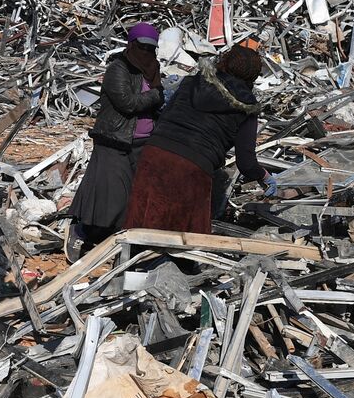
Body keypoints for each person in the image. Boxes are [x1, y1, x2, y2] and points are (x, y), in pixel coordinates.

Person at [125, 45, 276, 235]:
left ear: (225, 63)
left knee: (140, 222)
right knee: (182, 235)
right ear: (253, 77)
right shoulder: (248, 107)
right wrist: (264, 176)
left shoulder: (193, 82)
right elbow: (245, 162)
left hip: (156, 153)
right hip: (193, 166)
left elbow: (163, 117)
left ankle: (131, 262)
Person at [66, 23, 166, 259]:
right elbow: (127, 103)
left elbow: (154, 100)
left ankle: (119, 243)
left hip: (142, 144)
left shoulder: (153, 68)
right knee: (111, 198)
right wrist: (157, 96)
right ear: (132, 45)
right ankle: (82, 231)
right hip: (115, 140)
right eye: (142, 47)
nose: (147, 52)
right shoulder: (118, 69)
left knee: (134, 199)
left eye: (151, 48)